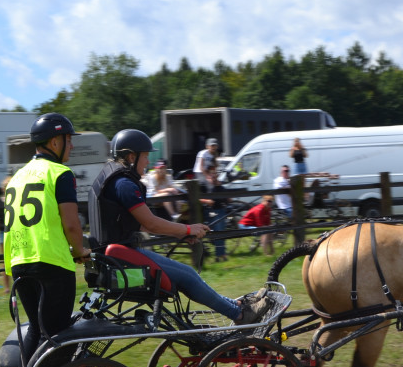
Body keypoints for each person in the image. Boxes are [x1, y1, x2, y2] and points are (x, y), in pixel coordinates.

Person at [90, 129, 269, 325]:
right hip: (121, 260)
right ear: (132, 157)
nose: (148, 162)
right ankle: (240, 315)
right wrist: (188, 229)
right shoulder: (124, 184)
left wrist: (179, 234)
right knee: (189, 276)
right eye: (146, 156)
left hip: (114, 258)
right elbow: (150, 223)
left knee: (188, 274)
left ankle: (236, 305)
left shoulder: (113, 179)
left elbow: (140, 224)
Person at [3, 113, 91, 367]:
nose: (72, 146)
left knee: (36, 330)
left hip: (20, 261)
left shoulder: (17, 177)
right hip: (51, 262)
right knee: (56, 336)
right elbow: (72, 224)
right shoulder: (60, 173)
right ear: (55, 142)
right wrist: (79, 251)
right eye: (68, 140)